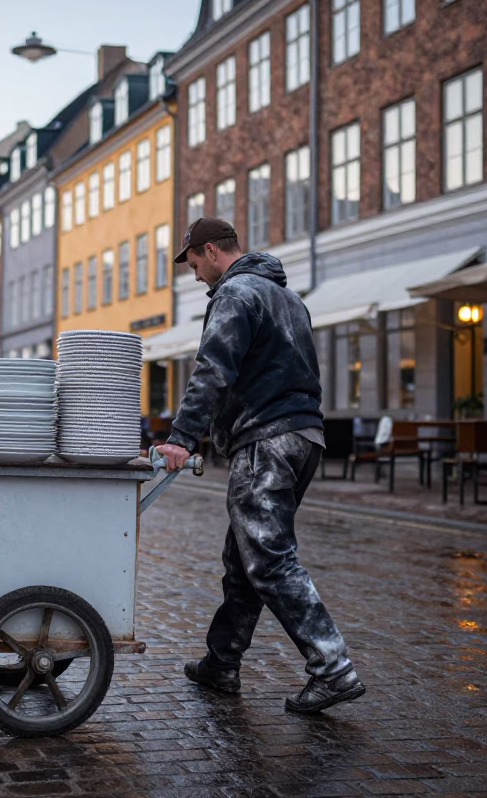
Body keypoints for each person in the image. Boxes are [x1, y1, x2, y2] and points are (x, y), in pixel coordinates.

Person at [153, 217, 364, 715]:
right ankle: (221, 661)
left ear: (210, 250)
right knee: (245, 559)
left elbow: (214, 368)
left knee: (268, 559)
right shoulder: (289, 300)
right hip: (304, 436)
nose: (194, 274)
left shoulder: (236, 293)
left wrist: (182, 437)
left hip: (265, 441)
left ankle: (333, 668)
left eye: (195, 263)